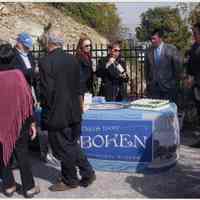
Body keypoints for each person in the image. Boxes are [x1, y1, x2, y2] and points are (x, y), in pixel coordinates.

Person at [39, 30, 96, 191]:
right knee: (70, 144)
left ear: (49, 42)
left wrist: (46, 110)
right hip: (74, 111)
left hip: (57, 113)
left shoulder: (45, 62)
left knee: (62, 147)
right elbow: (80, 86)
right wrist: (80, 107)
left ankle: (70, 180)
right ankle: (86, 172)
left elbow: (46, 92)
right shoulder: (72, 59)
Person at [0, 43, 40, 198]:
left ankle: (8, 186)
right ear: (12, 58)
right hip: (19, 122)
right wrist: (32, 123)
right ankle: (29, 188)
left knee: (3, 154)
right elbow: (27, 101)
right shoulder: (18, 75)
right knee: (22, 154)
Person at [144, 29, 182, 103]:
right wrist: (148, 82)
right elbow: (146, 69)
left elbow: (178, 68)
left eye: (154, 38)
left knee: (168, 112)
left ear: (160, 38)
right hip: (154, 89)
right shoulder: (149, 51)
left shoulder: (171, 49)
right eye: (151, 39)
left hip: (169, 88)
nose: (152, 41)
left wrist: (174, 83)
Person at [185, 23, 200, 148]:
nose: (193, 35)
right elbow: (190, 64)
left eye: (195, 33)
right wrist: (189, 76)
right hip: (196, 85)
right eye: (193, 33)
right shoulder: (195, 46)